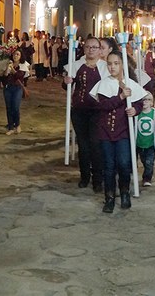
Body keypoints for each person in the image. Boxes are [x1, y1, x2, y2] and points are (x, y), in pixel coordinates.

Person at [89, 50, 148, 213]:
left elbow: (138, 103)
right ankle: (109, 197)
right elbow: (103, 106)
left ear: (123, 65)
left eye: (116, 63)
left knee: (123, 163)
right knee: (108, 165)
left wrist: (135, 110)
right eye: (109, 63)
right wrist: (121, 97)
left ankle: (124, 193)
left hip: (123, 132)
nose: (112, 67)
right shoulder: (103, 84)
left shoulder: (130, 84)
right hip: (106, 132)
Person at [63, 37, 109, 192]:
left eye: (94, 47)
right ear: (84, 49)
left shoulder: (105, 67)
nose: (91, 50)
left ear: (99, 49)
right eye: (88, 47)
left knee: (96, 144)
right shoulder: (76, 66)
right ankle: (84, 176)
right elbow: (68, 85)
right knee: (83, 145)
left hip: (97, 111)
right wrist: (66, 81)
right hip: (80, 110)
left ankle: (98, 178)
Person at [3, 49, 30, 134]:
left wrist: (12, 69)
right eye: (14, 54)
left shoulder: (22, 65)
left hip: (17, 88)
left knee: (15, 106)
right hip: (8, 88)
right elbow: (5, 75)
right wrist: (8, 67)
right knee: (9, 107)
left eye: (18, 54)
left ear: (21, 56)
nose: (16, 56)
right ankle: (11, 127)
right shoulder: (9, 63)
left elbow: (19, 75)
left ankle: (17, 124)